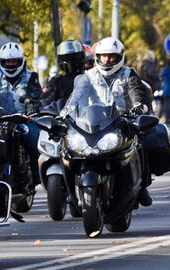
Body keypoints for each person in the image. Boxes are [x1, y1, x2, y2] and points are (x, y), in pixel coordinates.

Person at [64, 37, 154, 206]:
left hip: (121, 122)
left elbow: (137, 93)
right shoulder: (88, 76)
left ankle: (142, 186)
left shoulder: (129, 74)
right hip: (94, 122)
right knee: (68, 149)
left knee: (141, 143)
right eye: (104, 56)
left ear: (119, 57)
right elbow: (77, 96)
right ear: (98, 57)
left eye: (111, 57)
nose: (107, 60)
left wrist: (138, 107)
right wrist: (66, 111)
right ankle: (71, 191)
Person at [0, 42, 42, 185]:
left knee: (34, 140)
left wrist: (35, 104)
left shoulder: (31, 76)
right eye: (8, 62)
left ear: (21, 61)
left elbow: (37, 94)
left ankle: (37, 176)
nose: (11, 65)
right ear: (1, 62)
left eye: (14, 61)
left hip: (24, 120)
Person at [41, 39, 85, 108]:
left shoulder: (90, 79)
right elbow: (46, 99)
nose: (70, 62)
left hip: (87, 117)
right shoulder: (57, 81)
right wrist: (38, 104)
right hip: (62, 117)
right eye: (66, 58)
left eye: (74, 57)